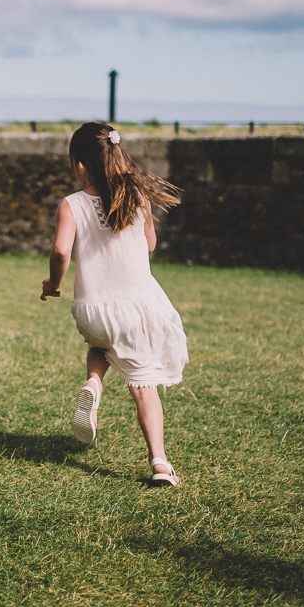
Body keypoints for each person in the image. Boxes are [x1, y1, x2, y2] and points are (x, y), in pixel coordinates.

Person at [40, 122, 188, 487]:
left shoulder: (71, 204)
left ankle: (93, 383)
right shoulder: (138, 198)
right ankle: (159, 463)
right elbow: (150, 245)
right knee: (144, 385)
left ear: (79, 165)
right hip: (135, 312)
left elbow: (61, 250)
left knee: (100, 344)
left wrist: (54, 284)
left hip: (91, 312)